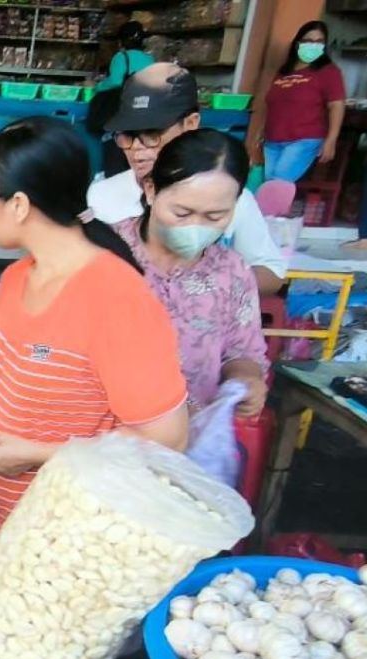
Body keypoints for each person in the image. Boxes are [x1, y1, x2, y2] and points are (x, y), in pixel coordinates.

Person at [0, 117, 188, 553]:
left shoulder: (117, 298)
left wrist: (37, 455)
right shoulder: (19, 277)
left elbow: (165, 441)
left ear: (18, 204)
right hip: (2, 524)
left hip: (72, 545)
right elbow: (4, 373)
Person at [88, 63, 287, 295]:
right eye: (127, 136)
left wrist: (211, 287)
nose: (137, 149)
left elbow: (272, 272)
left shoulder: (228, 197)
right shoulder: (100, 196)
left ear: (190, 124)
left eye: (153, 134)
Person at [112, 129, 269, 417]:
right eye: (182, 213)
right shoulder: (103, 253)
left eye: (215, 216)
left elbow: (243, 351)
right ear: (150, 191)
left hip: (188, 442)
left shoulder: (232, 272)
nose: (195, 227)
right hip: (100, 444)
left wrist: (245, 379)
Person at [262, 21, 346, 184]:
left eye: (319, 42)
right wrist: (260, 133)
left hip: (304, 139)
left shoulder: (329, 72)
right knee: (270, 185)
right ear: (297, 43)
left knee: (277, 184)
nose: (313, 45)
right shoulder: (284, 72)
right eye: (308, 41)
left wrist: (331, 140)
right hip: (273, 140)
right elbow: (272, 104)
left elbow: (336, 105)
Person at [95, 21, 153, 92]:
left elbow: (116, 81)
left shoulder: (121, 57)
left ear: (123, 41)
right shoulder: (149, 58)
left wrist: (97, 87)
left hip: (127, 99)